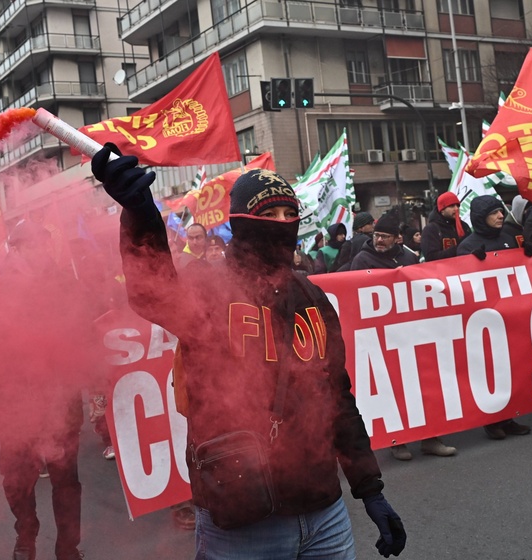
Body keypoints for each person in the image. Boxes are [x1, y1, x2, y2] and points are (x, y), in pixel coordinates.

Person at [92, 147, 407, 559]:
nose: (281, 225)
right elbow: (153, 292)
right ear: (240, 221)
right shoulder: (208, 288)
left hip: (324, 512)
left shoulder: (312, 298)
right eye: (269, 214)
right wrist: (139, 215)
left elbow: (337, 401)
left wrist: (370, 490)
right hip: (241, 522)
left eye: (287, 214)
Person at [0, 220, 86, 560]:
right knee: (16, 482)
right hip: (15, 404)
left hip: (60, 398)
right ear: (16, 249)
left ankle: (68, 547)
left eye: (44, 243)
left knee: (67, 483)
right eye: (32, 244)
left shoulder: (65, 282)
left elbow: (82, 332)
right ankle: (26, 532)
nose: (41, 250)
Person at [351, 209, 456, 460]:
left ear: (398, 238)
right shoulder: (362, 261)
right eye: (377, 235)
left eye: (385, 236)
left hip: (412, 334)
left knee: (424, 386)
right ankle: (397, 441)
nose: (379, 240)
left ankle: (431, 438)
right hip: (382, 340)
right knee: (394, 390)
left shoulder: (409, 258)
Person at [458, 195, 531, 439]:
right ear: (481, 217)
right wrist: (471, 265)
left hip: (511, 315)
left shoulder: (509, 238)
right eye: (494, 213)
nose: (501, 215)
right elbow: (460, 287)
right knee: (491, 370)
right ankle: (491, 420)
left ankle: (509, 417)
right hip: (485, 319)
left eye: (501, 211)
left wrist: (530, 255)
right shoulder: (468, 246)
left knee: (511, 368)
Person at [420, 192, 471, 262]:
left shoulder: (464, 226)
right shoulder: (431, 229)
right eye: (452, 206)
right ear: (442, 210)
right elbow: (431, 257)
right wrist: (459, 248)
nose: (456, 209)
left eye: (458, 205)